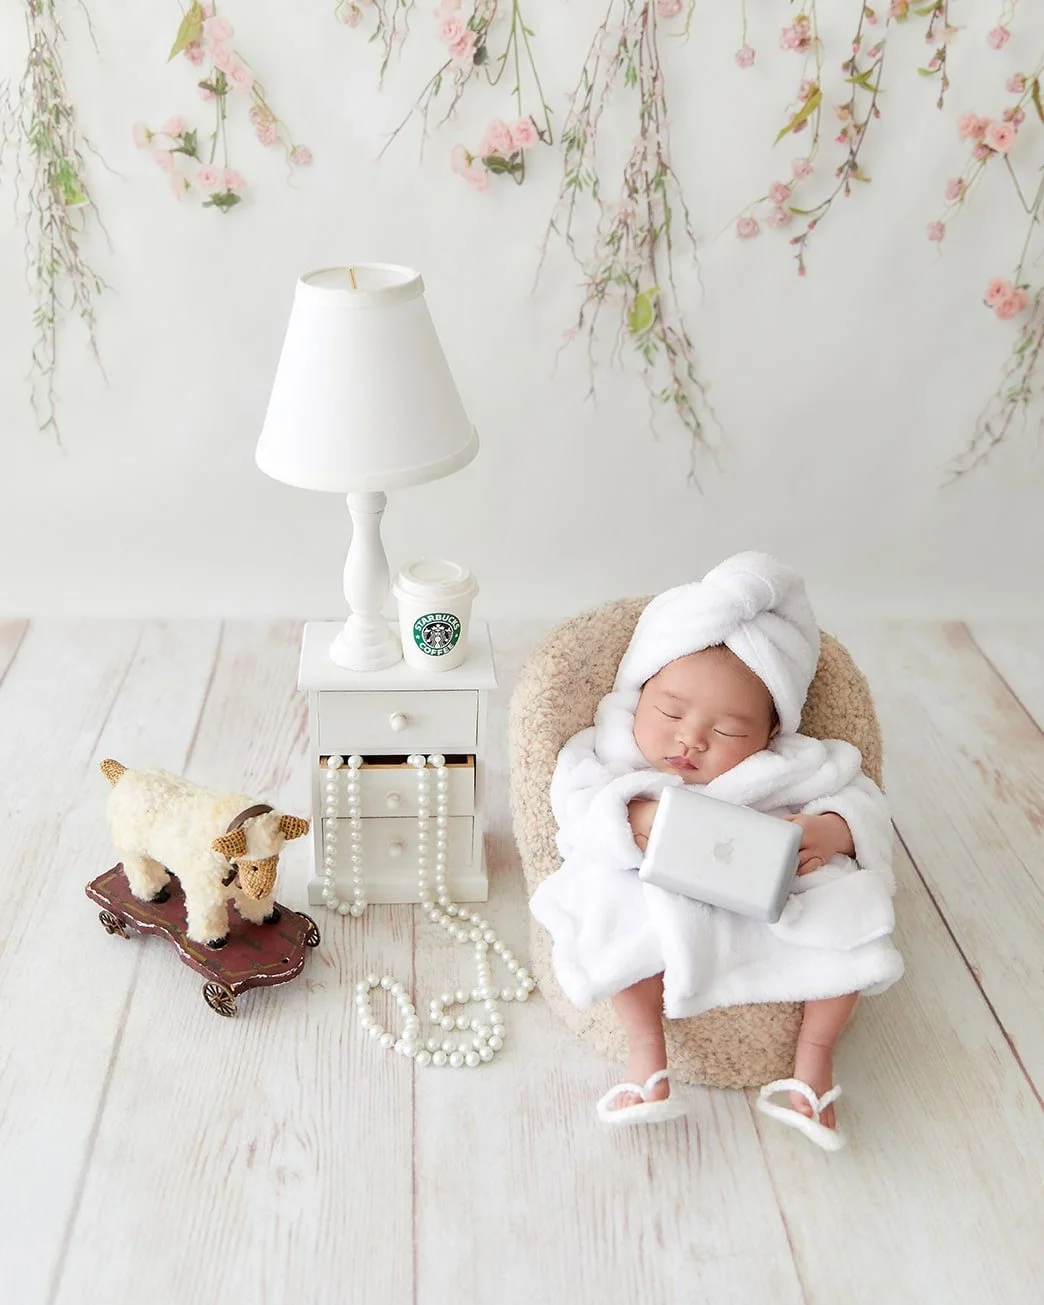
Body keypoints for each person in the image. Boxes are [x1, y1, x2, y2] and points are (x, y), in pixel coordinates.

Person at [530, 552, 903, 1147]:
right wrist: (633, 817)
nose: (690, 739)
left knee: (849, 918)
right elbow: (574, 807)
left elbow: (861, 796)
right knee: (613, 907)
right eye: (671, 712)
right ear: (640, 692)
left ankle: (813, 1066)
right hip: (655, 876)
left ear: (771, 733)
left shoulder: (793, 761)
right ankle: (646, 1059)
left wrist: (832, 830)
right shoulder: (608, 749)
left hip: (773, 883)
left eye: (727, 731)